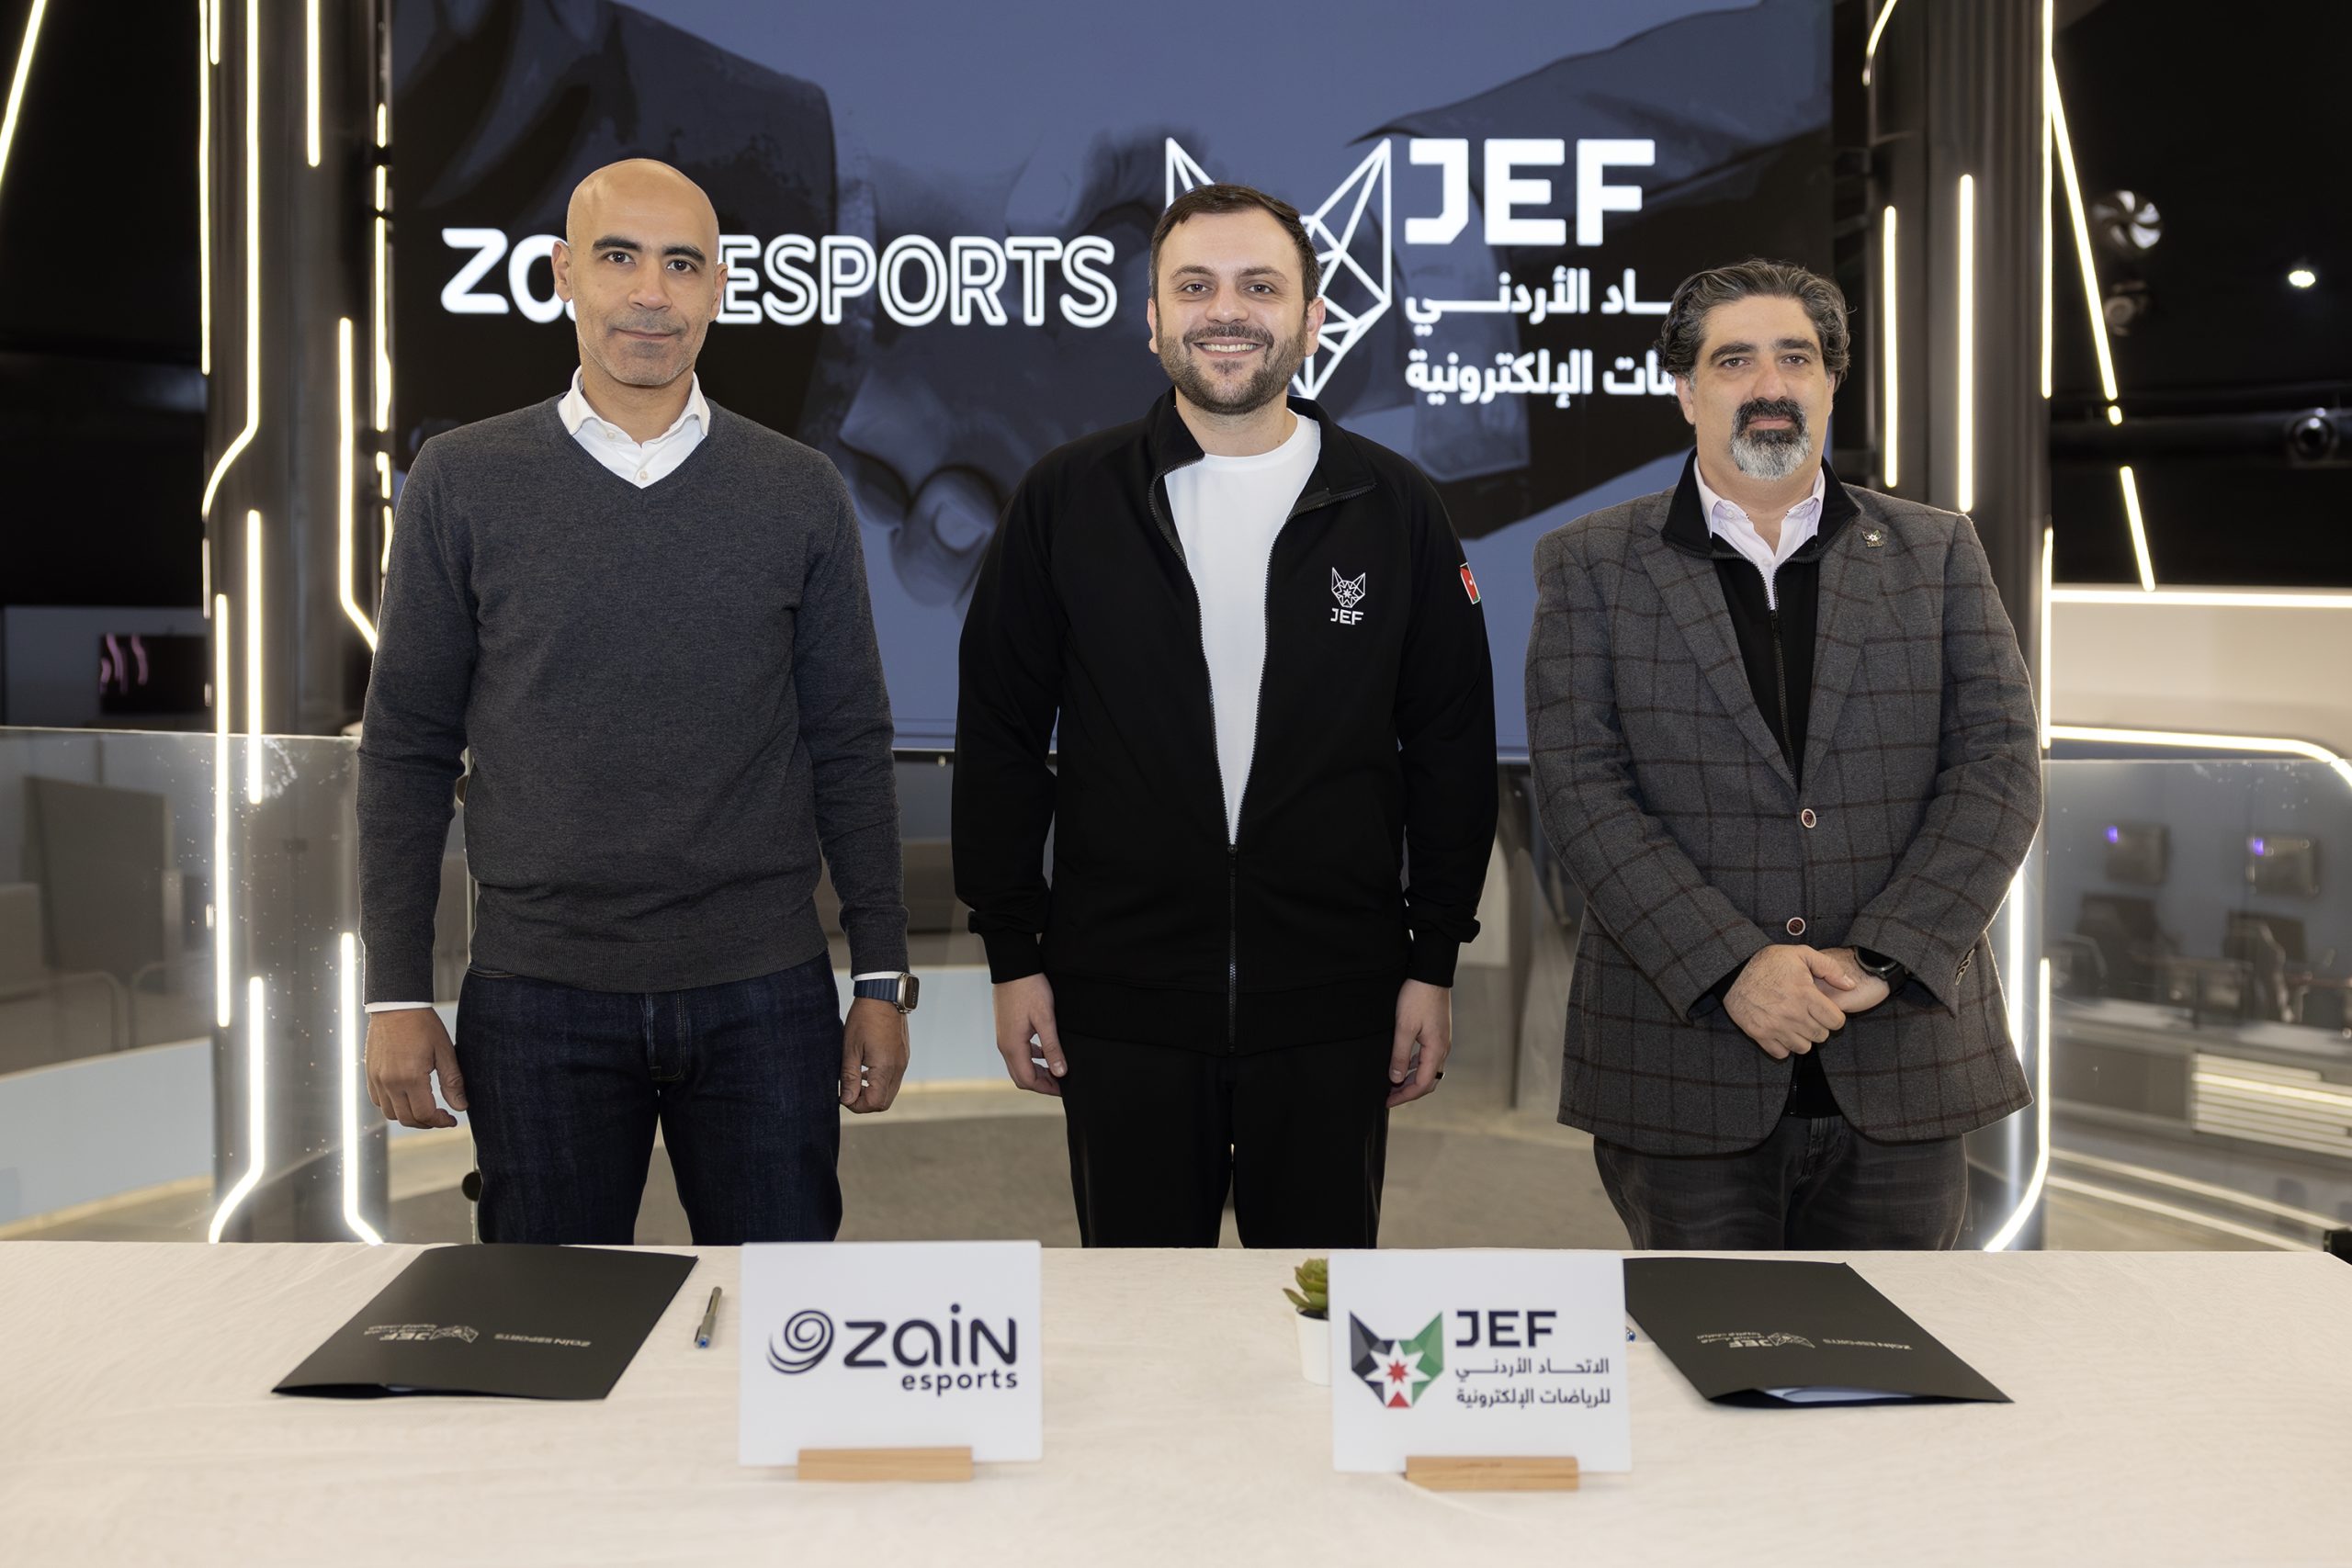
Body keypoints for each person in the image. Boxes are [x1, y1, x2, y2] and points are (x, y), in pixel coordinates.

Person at [358, 159, 916, 1245]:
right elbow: (407, 748)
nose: (650, 293)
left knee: (782, 1317)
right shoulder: (460, 481)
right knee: (549, 1323)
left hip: (764, 990)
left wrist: (881, 976)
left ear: (719, 289)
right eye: (618, 258)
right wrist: (395, 991)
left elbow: (849, 742)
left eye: (681, 264)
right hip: (536, 993)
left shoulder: (799, 489)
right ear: (563, 273)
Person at [954, 183, 1498, 1249]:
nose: (1226, 312)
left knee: (1318, 1313)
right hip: (1122, 1000)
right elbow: (1002, 738)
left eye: (1260, 286)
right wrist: (1012, 953)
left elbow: (1449, 746)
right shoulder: (1068, 498)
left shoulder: (1396, 507)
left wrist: (1432, 960)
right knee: (1141, 1315)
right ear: (1152, 317)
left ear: (1313, 316)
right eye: (1194, 286)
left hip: (1335, 1002)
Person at [1525, 257, 2041, 1249]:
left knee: (1892, 1348)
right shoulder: (1589, 562)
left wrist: (1884, 955)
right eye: (1734, 361)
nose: (1770, 385)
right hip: (1683, 1068)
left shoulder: (1937, 551)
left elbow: (2000, 767)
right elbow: (1582, 790)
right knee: (1705, 1348)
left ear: (1831, 382)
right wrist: (1731, 968)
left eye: (1796, 358)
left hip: (1902, 1060)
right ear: (1686, 391)